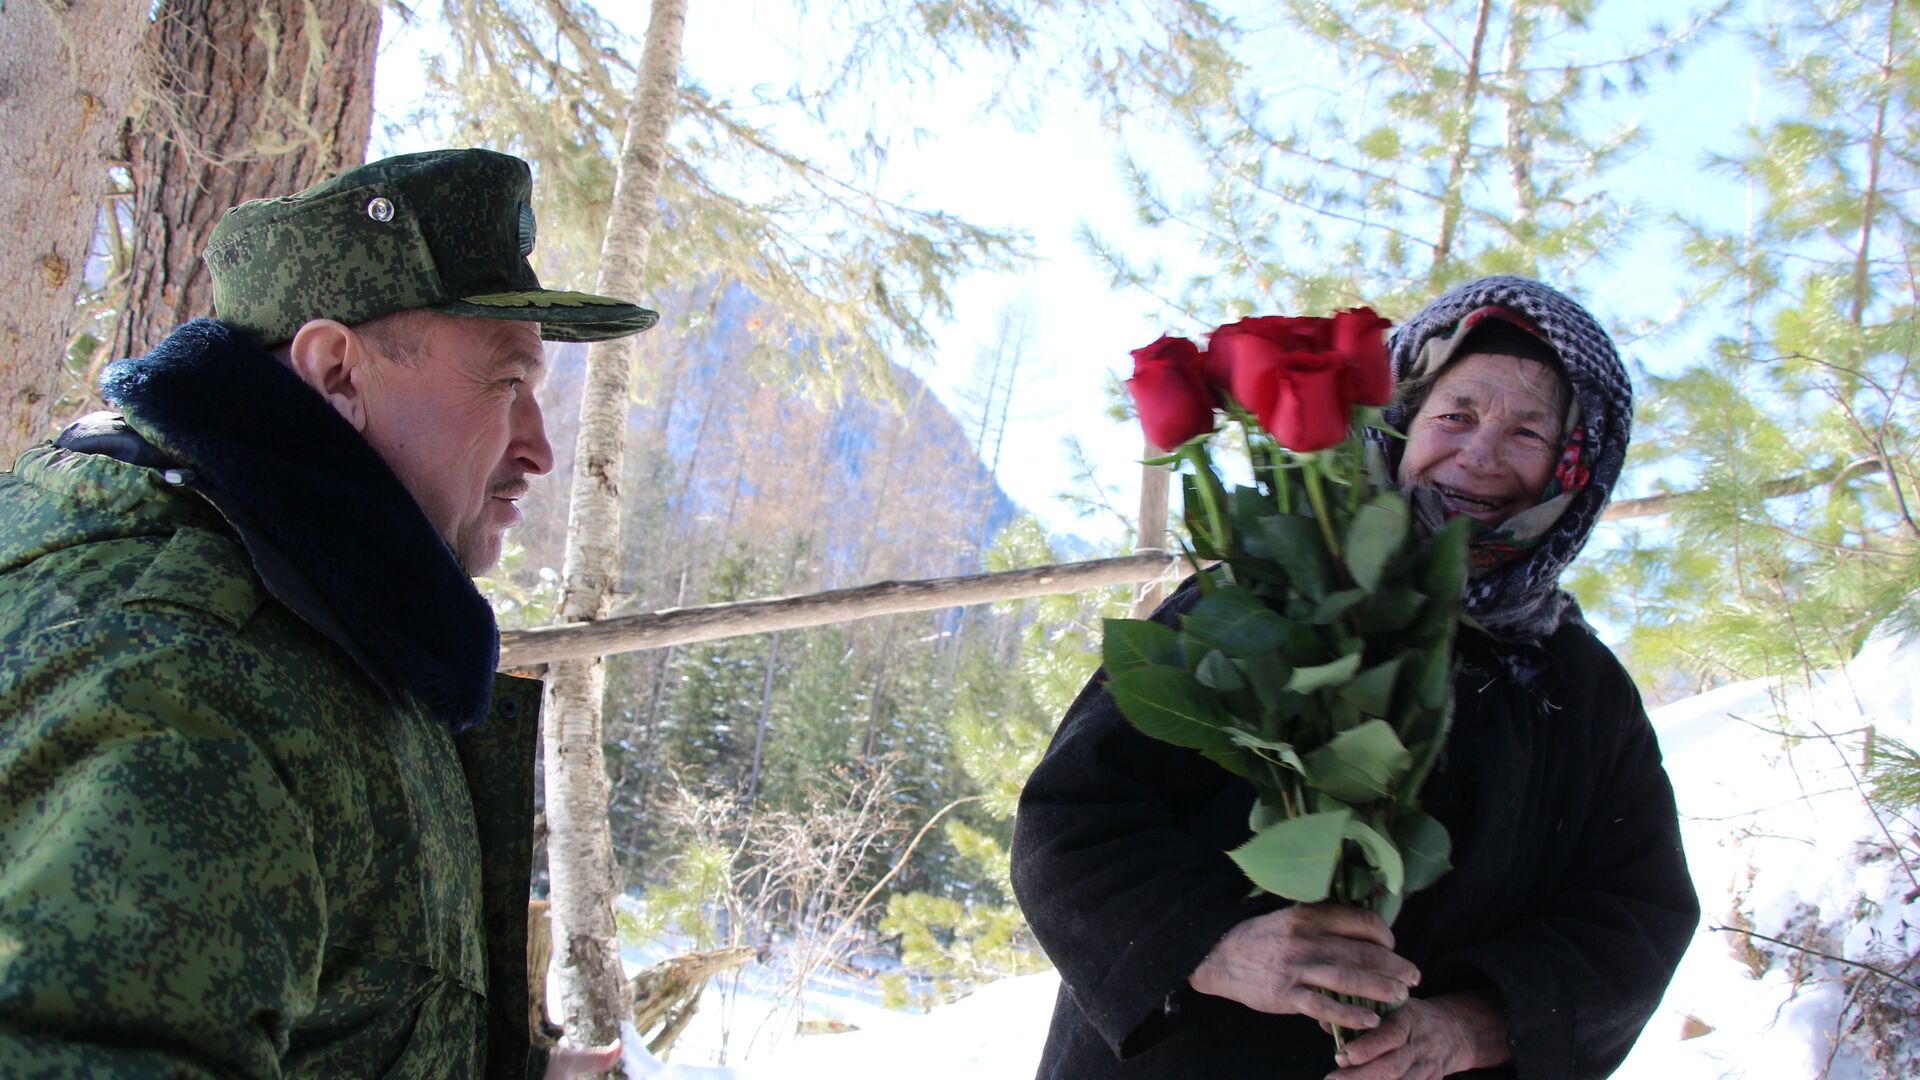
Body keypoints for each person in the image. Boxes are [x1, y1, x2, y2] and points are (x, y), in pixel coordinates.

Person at [0, 149, 656, 1078]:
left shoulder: (327, 626)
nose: (539, 449)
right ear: (338, 374)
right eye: (507, 385)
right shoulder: (185, 685)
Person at [1010, 275, 1700, 1079]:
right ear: (1403, 420)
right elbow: (1072, 817)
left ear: (1573, 466)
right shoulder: (1258, 596)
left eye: (1527, 434)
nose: (1479, 455)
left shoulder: (1580, 690)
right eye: (1457, 414)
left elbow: (1635, 916)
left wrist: (1469, 1029)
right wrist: (1214, 947)